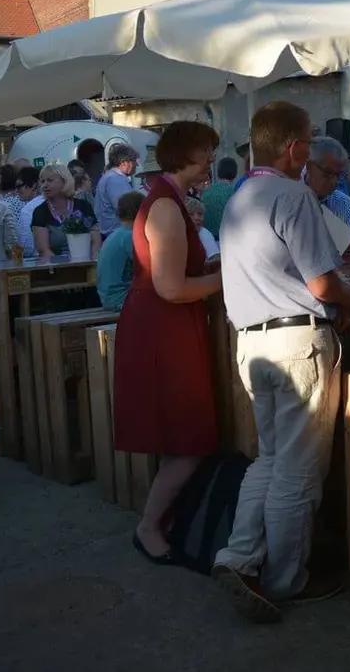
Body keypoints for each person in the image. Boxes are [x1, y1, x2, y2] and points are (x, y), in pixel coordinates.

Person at [212, 100, 350, 622]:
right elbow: (323, 282)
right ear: (295, 149)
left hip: (251, 341)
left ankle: (239, 556)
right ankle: (286, 580)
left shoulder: (237, 195)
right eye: (310, 139)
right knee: (297, 470)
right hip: (296, 341)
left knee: (270, 459)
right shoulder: (292, 194)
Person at [114, 121, 224, 565]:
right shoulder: (165, 206)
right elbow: (171, 289)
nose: (211, 160)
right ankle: (148, 527)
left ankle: (163, 519)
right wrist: (228, 276)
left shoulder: (172, 198)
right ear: (184, 153)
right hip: (164, 327)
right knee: (188, 437)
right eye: (205, 151)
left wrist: (211, 267)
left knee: (182, 434)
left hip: (166, 325)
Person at [30, 163, 101, 259]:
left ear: (64, 181)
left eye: (50, 180)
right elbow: (44, 251)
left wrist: (92, 263)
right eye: (43, 181)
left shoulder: (84, 206)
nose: (45, 185)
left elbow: (96, 241)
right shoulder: (40, 212)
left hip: (86, 264)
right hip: (56, 268)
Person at [96, 191, 145, 312]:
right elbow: (149, 270)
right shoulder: (130, 237)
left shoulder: (115, 234)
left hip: (108, 298)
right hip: (121, 299)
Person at [305, 136, 350, 233]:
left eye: (338, 175)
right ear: (309, 167)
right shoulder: (291, 201)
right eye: (328, 173)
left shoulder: (343, 203)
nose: (334, 181)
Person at [93, 144, 140, 237]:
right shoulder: (115, 179)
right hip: (115, 232)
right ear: (124, 162)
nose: (137, 164)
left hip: (110, 231)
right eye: (134, 161)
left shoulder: (110, 177)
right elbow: (125, 208)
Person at [201, 157, 239, 239]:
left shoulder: (206, 191)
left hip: (207, 238)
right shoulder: (235, 192)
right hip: (227, 238)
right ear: (235, 172)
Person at [13, 166, 43, 257]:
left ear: (33, 185)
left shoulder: (28, 210)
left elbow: (26, 247)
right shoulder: (51, 202)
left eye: (19, 186)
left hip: (36, 261)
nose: (16, 190)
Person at [184, 197, 221, 263]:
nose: (197, 218)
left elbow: (216, 258)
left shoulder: (203, 233)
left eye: (200, 214)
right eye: (191, 214)